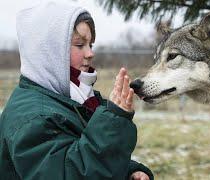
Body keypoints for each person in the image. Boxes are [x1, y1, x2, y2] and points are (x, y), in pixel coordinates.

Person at [0, 1, 153, 180]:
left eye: (91, 45)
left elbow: (84, 151)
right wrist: (113, 121)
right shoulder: (33, 118)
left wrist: (130, 171)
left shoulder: (74, 98)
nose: (90, 53)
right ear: (49, 52)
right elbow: (71, 173)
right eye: (80, 45)